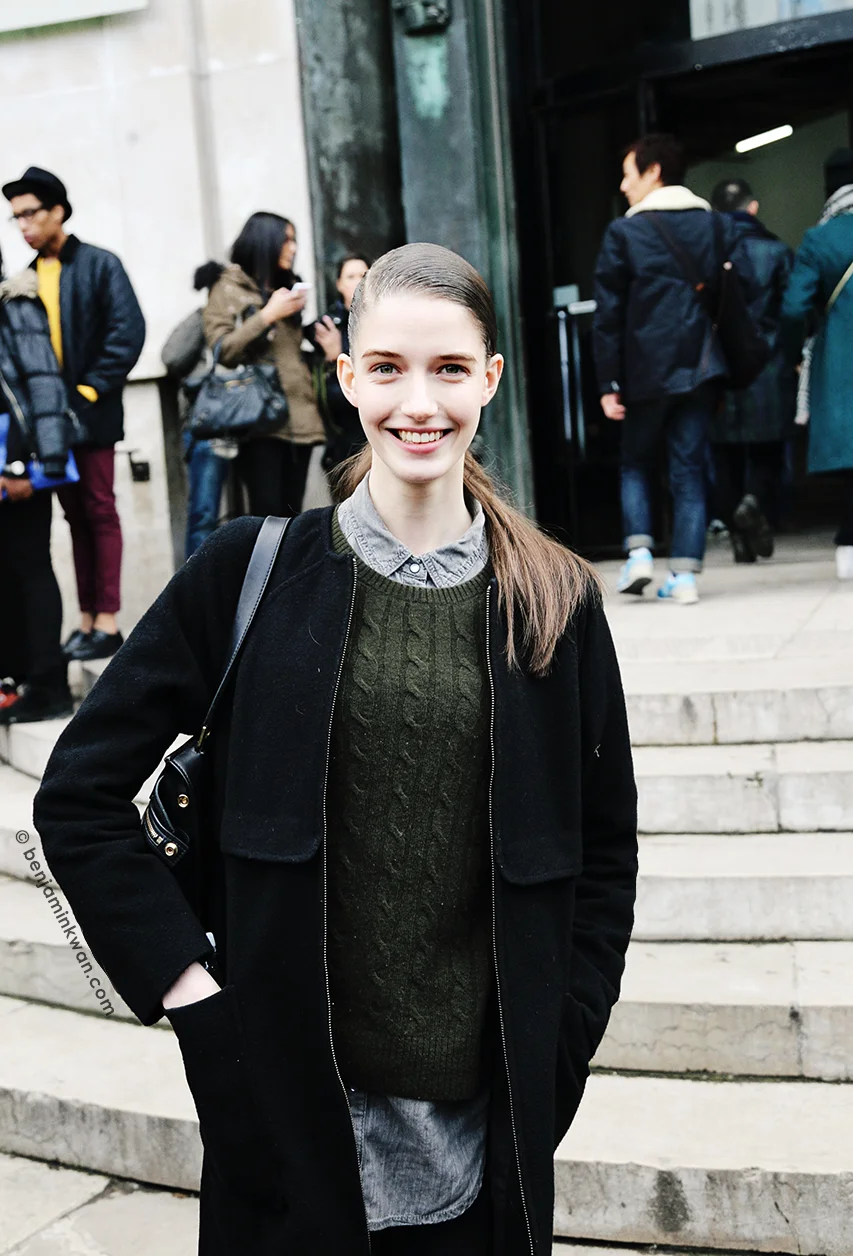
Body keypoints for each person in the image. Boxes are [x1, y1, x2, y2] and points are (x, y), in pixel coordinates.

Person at [33, 243, 638, 1255]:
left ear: (489, 379)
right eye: (389, 366)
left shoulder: (556, 600)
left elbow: (605, 855)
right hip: (281, 1128)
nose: (420, 401)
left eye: (450, 370)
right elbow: (77, 797)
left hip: (482, 1153)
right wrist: (194, 999)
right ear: (346, 374)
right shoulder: (247, 572)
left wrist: (561, 1037)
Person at [593, 133, 755, 604]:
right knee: (688, 468)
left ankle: (640, 555)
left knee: (635, 463)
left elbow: (609, 315)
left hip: (645, 370)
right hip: (703, 365)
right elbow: (737, 292)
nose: (624, 186)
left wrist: (608, 382)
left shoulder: (624, 232)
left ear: (653, 172)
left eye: (629, 175)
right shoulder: (716, 226)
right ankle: (684, 577)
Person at [2, 166, 145, 661]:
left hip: (93, 414)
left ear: (58, 210)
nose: (22, 225)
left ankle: (106, 621)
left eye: (30, 213)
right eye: (15, 216)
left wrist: (87, 391)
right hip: (49, 426)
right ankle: (85, 621)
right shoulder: (22, 280)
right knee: (74, 516)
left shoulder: (102, 264)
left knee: (100, 510)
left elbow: (127, 333)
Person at [202, 212, 325, 518]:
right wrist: (267, 315)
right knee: (266, 515)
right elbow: (223, 350)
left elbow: (289, 352)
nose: (293, 248)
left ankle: (289, 568)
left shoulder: (286, 287)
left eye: (294, 240)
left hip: (301, 415)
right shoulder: (228, 288)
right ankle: (266, 568)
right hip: (258, 418)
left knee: (293, 513)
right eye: (286, 239)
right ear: (264, 242)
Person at [0, 258, 73, 724]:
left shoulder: (16, 306)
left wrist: (35, 466)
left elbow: (43, 387)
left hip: (17, 463)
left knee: (29, 567)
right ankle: (16, 679)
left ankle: (48, 684)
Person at [709, 177, 796, 562]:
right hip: (769, 363)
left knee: (725, 454)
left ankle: (740, 541)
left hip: (724, 366)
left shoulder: (709, 256)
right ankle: (754, 500)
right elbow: (792, 311)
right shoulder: (777, 252)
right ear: (753, 207)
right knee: (768, 448)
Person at [782, 149, 853, 581]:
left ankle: (849, 542)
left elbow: (793, 309)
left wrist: (796, 352)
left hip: (841, 362)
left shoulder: (820, 239)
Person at [161, 262, 233, 559]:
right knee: (204, 514)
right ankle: (197, 590)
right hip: (208, 428)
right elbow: (172, 357)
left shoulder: (247, 319)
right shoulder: (202, 319)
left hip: (247, 429)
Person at [315, 253, 370, 471]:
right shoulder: (326, 327)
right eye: (350, 276)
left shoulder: (385, 320)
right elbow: (329, 399)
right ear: (338, 284)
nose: (358, 281)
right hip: (342, 437)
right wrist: (332, 358)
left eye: (364, 275)